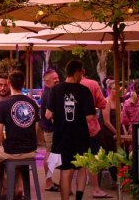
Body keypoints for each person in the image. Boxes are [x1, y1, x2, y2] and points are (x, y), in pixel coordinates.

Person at [0, 71, 38, 199]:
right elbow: (36, 128)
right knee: (16, 159)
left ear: (9, 83)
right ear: (24, 83)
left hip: (11, 149)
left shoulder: (4, 104)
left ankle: (6, 185)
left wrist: (2, 145)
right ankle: (18, 186)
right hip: (31, 150)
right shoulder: (33, 103)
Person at [46, 60, 96, 200]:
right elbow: (90, 116)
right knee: (81, 168)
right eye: (82, 72)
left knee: (65, 171)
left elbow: (48, 115)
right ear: (77, 72)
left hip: (61, 137)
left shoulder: (55, 90)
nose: (82, 75)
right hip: (81, 137)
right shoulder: (84, 91)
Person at [80, 69, 111, 198]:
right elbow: (103, 104)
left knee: (76, 160)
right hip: (91, 127)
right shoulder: (92, 84)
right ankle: (96, 189)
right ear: (83, 71)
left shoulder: (64, 86)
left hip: (72, 129)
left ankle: (71, 190)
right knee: (92, 157)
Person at [39, 68, 60, 192]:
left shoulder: (51, 91)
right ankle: (48, 182)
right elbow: (49, 114)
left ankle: (50, 180)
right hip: (50, 128)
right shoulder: (49, 93)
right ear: (47, 81)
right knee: (50, 153)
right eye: (54, 78)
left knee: (51, 153)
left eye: (57, 77)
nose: (57, 80)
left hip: (49, 127)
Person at [101, 80, 119, 181]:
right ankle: (115, 176)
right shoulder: (106, 102)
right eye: (114, 89)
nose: (117, 91)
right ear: (109, 90)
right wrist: (117, 132)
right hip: (108, 132)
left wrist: (123, 131)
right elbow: (106, 122)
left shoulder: (118, 101)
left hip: (117, 130)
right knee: (113, 152)